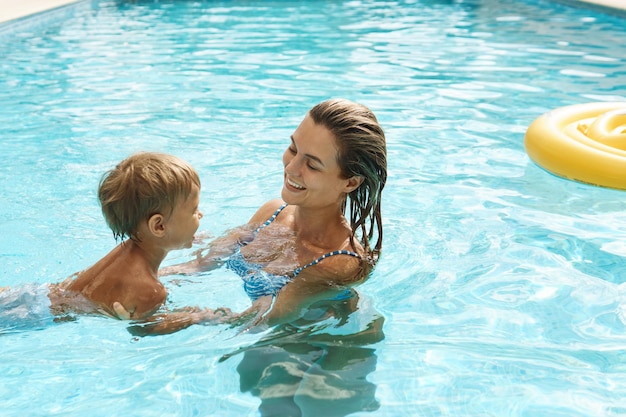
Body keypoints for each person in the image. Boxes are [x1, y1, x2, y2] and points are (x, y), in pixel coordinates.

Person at [127, 98, 387, 335]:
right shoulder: (271, 213)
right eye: (293, 149)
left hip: (319, 348)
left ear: (351, 183)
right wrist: (127, 284)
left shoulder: (336, 263)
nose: (291, 168)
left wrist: (188, 319)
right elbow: (195, 267)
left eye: (312, 165)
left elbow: (258, 321)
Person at [1, 152, 206, 332]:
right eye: (193, 210)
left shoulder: (128, 249)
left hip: (33, 295)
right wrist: (198, 318)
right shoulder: (151, 290)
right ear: (159, 226)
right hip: (33, 317)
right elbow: (143, 330)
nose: (200, 214)